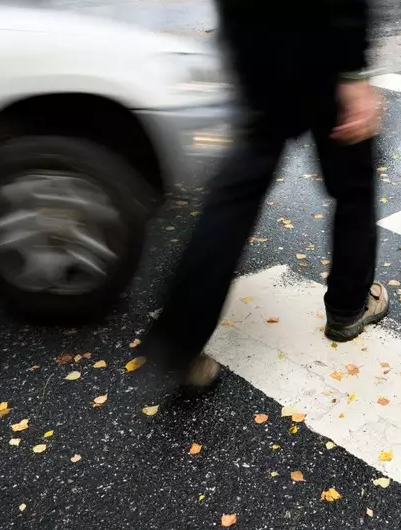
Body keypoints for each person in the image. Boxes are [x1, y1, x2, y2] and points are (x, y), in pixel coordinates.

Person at [142, 0, 388, 391]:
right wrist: (353, 70)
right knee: (354, 186)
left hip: (256, 48)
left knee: (235, 196)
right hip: (321, 46)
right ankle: (348, 307)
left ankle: (179, 340)